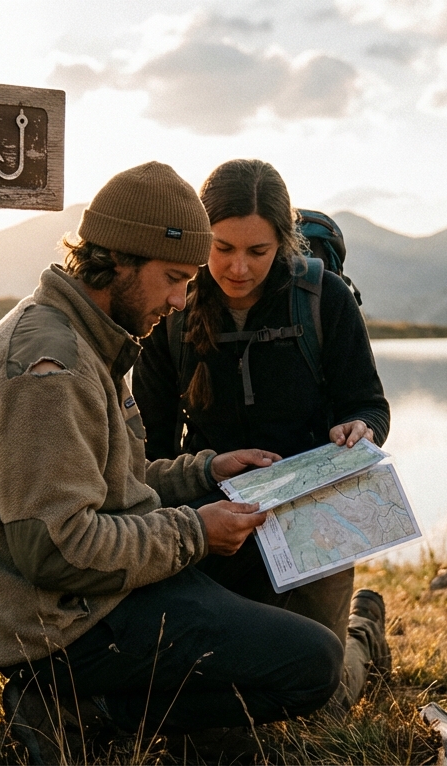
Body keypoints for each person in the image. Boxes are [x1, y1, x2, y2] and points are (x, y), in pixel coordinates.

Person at [0, 161, 343, 764]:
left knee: (276, 604)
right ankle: (84, 711)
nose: (182, 300)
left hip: (102, 596)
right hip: (68, 628)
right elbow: (57, 549)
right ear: (121, 261)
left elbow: (112, 482)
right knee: (314, 667)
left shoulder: (86, 336)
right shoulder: (53, 370)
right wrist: (196, 531)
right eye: (174, 278)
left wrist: (205, 473)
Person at [134, 158, 393, 712]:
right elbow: (149, 449)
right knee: (223, 688)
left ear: (285, 242)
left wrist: (361, 427)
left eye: (258, 251)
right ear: (202, 237)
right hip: (215, 521)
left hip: (315, 517)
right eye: (223, 247)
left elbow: (368, 403)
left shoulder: (324, 299)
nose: (238, 268)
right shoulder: (171, 308)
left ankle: (362, 634)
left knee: (319, 699)